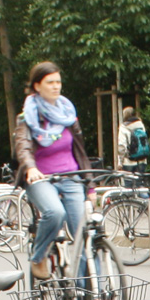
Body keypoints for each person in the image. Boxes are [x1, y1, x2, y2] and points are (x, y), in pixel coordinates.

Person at [14, 61, 95, 280]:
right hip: (41, 178)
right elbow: (22, 145)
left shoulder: (68, 115)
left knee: (84, 233)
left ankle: (86, 289)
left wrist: (90, 186)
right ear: (37, 86)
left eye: (58, 82)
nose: (56, 86)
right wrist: (30, 168)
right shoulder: (27, 117)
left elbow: (81, 152)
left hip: (71, 177)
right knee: (55, 213)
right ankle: (38, 257)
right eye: (50, 82)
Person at [117, 106, 149, 175]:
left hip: (128, 162)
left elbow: (122, 146)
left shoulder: (123, 127)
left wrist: (120, 162)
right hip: (142, 160)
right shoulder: (141, 125)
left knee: (128, 184)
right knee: (140, 183)